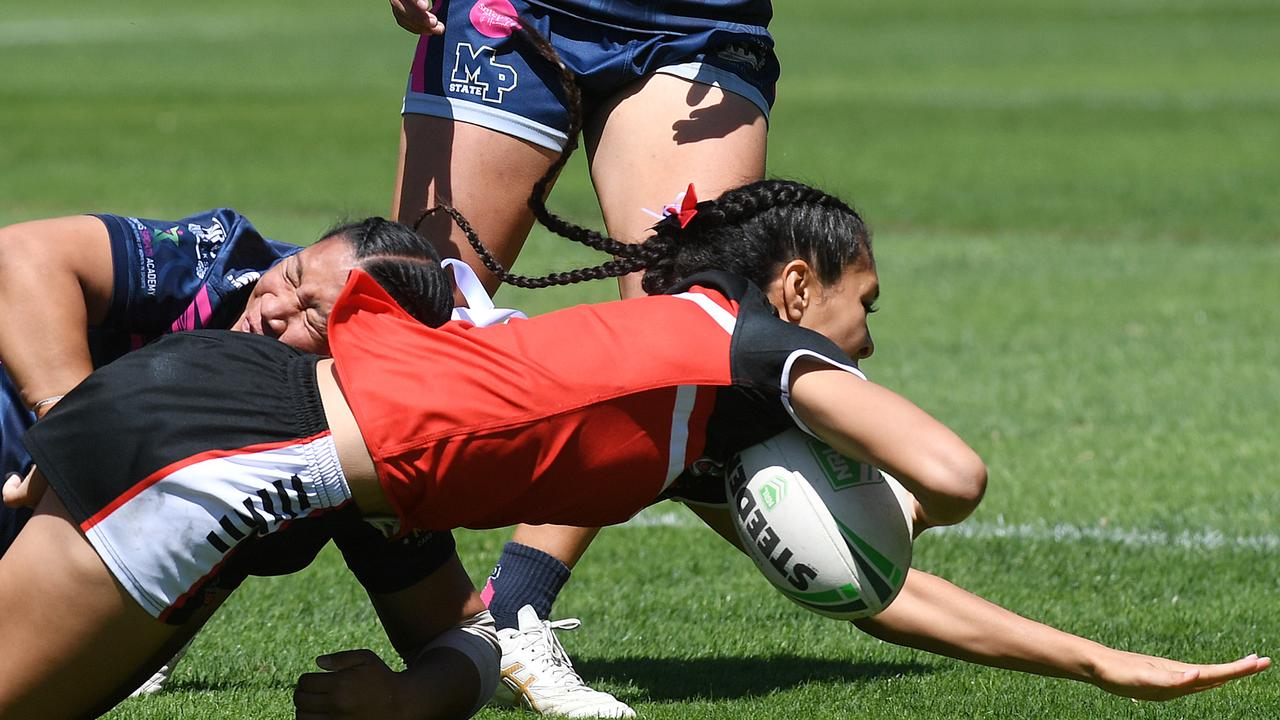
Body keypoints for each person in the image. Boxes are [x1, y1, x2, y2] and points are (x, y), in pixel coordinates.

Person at [0, 180, 1267, 719]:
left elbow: (878, 593)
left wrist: (1101, 665)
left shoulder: (678, 407)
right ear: (793, 284)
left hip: (228, 422)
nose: (866, 339)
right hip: (236, 443)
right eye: (862, 304)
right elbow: (951, 478)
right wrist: (844, 425)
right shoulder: (739, 340)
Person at [387, 1, 776, 707]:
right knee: (404, 326)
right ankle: (165, 570)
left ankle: (510, 617)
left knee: (681, 343)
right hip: (510, 11)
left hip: (695, 25)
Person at [0, 210, 502, 712]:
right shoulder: (221, 266)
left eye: (312, 317)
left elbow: (466, 634)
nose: (274, 307)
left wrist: (405, 700)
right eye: (293, 273)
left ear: (367, 360)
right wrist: (71, 428)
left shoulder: (359, 441)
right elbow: (22, 253)